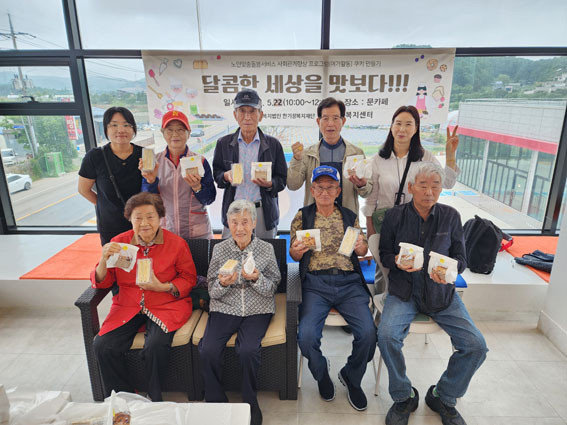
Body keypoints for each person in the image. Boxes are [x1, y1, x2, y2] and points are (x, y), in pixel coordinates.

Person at [377, 162, 487, 425]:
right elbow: (384, 254)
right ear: (411, 187)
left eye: (435, 186)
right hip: (404, 291)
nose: (429, 192)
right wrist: (397, 262)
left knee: (476, 346)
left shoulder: (451, 216)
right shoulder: (394, 216)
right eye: (423, 185)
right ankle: (403, 396)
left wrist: (449, 271)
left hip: (441, 294)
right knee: (386, 336)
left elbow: (461, 258)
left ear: (441, 189)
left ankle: (444, 396)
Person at [91, 192, 197, 402]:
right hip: (128, 305)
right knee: (102, 345)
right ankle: (124, 396)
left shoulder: (176, 244)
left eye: (150, 217)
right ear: (130, 219)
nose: (144, 223)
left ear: (160, 218)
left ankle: (153, 396)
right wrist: (103, 260)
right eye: (138, 218)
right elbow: (103, 280)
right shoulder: (120, 243)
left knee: (155, 345)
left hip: (165, 304)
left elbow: (188, 278)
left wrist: (162, 286)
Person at [290, 166, 376, 411]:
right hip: (315, 284)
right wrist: (296, 251)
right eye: (320, 187)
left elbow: (362, 249)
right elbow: (294, 255)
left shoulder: (349, 216)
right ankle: (321, 372)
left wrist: (361, 248)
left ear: (338, 191)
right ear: (312, 190)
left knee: (368, 334)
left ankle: (352, 376)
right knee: (306, 336)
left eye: (330, 187)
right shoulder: (303, 216)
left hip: (349, 282)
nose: (325, 192)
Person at [198, 199, 280, 425]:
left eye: (245, 222)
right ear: (227, 224)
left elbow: (273, 286)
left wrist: (256, 279)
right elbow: (213, 291)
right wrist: (223, 284)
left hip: (257, 308)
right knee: (208, 350)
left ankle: (250, 401)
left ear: (254, 223)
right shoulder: (220, 249)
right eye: (234, 222)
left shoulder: (266, 249)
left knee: (248, 350)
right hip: (225, 307)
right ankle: (216, 402)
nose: (240, 228)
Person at [363, 105, 459, 237]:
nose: (402, 129)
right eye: (398, 123)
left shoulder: (426, 157)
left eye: (408, 124)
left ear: (416, 128)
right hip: (384, 224)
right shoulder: (378, 159)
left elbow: (447, 183)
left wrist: (450, 157)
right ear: (391, 126)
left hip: (416, 225)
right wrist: (370, 228)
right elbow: (371, 198)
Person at [212, 89, 287, 239]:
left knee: (264, 252)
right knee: (232, 252)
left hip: (262, 212)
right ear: (235, 115)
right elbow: (217, 173)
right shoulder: (223, 143)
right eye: (242, 111)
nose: (247, 117)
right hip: (233, 210)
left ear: (261, 115)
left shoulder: (273, 144)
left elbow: (282, 179)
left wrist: (270, 184)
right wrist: (225, 176)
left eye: (252, 111)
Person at [287, 97, 372, 217]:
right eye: (325, 118)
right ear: (318, 122)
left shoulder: (356, 153)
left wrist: (362, 184)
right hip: (314, 220)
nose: (330, 124)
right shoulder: (307, 154)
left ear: (343, 121)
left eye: (335, 118)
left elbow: (367, 192)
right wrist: (297, 160)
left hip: (347, 219)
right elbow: (293, 185)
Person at [140, 110, 215, 239]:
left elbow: (209, 199)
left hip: (197, 233)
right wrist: (151, 182)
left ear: (189, 133)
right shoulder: (154, 162)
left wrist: (197, 187)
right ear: (162, 133)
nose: (175, 134)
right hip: (166, 232)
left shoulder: (200, 161)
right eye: (170, 130)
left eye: (180, 129)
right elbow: (146, 201)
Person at [78, 106, 143, 245]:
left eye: (126, 125)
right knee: (114, 258)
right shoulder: (95, 157)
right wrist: (105, 204)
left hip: (141, 224)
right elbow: (83, 190)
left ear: (133, 129)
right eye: (114, 125)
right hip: (110, 225)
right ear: (106, 129)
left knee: (143, 258)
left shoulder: (144, 154)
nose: (121, 130)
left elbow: (153, 187)